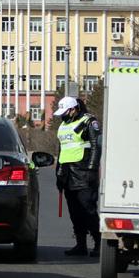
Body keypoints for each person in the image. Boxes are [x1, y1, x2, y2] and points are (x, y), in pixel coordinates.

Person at [54, 96, 102, 257]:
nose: (63, 116)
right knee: (74, 212)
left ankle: (98, 243)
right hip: (67, 173)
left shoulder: (89, 122)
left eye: (65, 112)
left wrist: (91, 169)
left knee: (88, 210)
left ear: (74, 109)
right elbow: (62, 150)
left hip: (83, 172)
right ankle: (80, 245)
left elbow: (96, 146)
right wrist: (59, 173)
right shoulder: (63, 125)